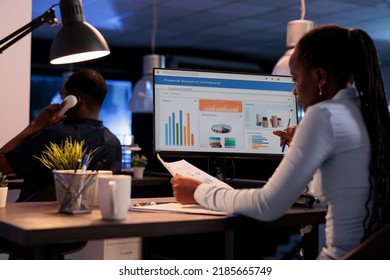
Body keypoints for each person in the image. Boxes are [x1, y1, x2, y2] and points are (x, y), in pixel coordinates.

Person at [170, 25, 390, 260]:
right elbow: (346, 189)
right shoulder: (377, 115)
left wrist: (199, 192)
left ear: (319, 77)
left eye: (296, 79)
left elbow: (268, 205)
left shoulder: (323, 115)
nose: (295, 90)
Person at [0, 69, 122, 202]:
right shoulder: (113, 144)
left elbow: (1, 167)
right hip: (85, 220)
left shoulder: (53, 136)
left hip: (32, 218)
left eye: (62, 97)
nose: (59, 103)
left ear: (74, 101)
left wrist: (35, 125)